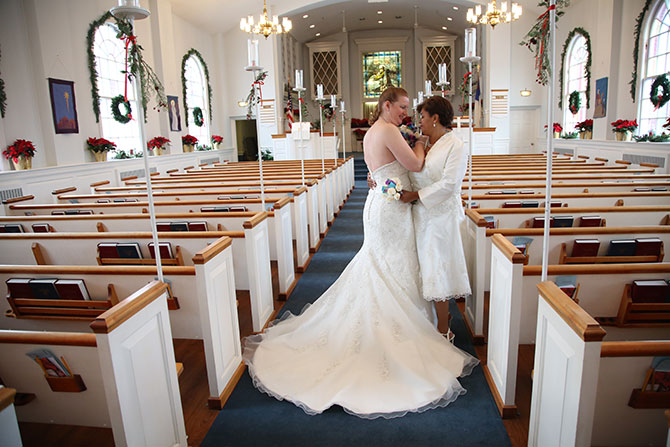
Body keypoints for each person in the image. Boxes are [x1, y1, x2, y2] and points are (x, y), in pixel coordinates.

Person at [243, 87, 478, 419]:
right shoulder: (390, 130)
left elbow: (387, 171)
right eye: (402, 107)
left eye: (411, 109)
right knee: (388, 265)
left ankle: (418, 325)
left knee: (387, 265)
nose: (406, 114)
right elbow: (414, 163)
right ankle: (400, 331)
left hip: (384, 203)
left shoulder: (375, 132)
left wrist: (387, 178)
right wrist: (421, 143)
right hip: (390, 210)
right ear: (387, 105)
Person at [398, 96, 472, 337]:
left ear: (435, 118)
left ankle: (443, 329)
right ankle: (432, 317)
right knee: (423, 269)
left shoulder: (455, 146)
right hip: (420, 214)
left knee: (437, 268)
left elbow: (450, 184)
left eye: (422, 116)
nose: (419, 121)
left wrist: (415, 195)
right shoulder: (423, 143)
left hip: (441, 217)